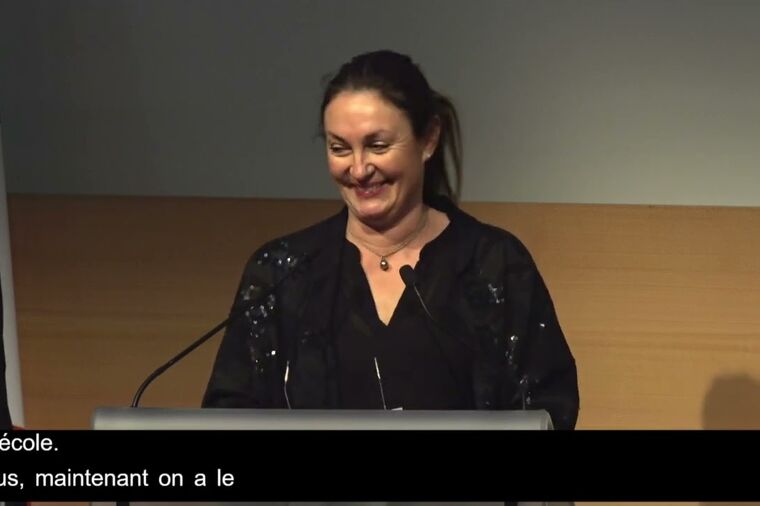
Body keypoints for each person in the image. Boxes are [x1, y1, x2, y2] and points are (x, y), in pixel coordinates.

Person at [202, 50, 579, 430]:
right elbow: (229, 411)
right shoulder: (282, 272)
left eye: (378, 146)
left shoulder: (495, 264)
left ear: (428, 139)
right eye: (339, 148)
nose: (359, 169)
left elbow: (546, 409)